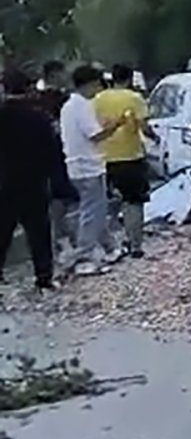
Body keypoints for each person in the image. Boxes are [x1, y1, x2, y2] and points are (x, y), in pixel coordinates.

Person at [60, 65, 127, 275]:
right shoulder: (81, 106)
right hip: (88, 166)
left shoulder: (69, 106)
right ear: (89, 84)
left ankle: (110, 248)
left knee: (97, 209)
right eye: (97, 84)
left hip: (77, 164)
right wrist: (116, 124)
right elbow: (95, 135)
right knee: (92, 212)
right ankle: (84, 257)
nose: (98, 89)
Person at [0, 69, 61, 290]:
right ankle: (43, 277)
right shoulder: (39, 117)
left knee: (2, 230)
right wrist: (54, 178)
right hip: (34, 182)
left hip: (4, 182)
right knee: (38, 232)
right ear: (27, 89)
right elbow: (52, 150)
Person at [94, 64, 150, 258]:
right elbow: (143, 126)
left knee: (107, 203)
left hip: (102, 158)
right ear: (130, 79)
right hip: (130, 156)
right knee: (133, 202)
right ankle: (135, 245)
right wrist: (155, 137)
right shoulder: (134, 99)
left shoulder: (98, 99)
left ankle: (109, 245)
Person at [32, 61, 79, 265]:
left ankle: (63, 238)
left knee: (60, 198)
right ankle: (61, 239)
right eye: (62, 73)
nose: (65, 76)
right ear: (54, 74)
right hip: (56, 154)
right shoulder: (55, 100)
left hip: (49, 155)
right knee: (59, 197)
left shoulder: (38, 99)